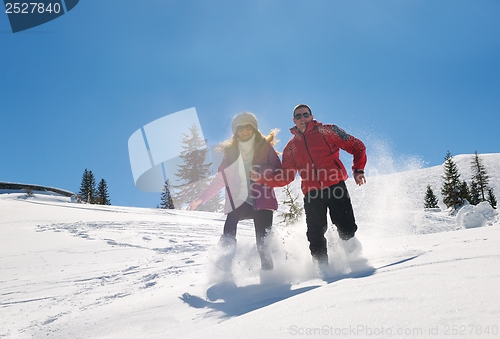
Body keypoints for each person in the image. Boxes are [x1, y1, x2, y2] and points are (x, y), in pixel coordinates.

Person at [251, 104, 366, 265]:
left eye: (305, 114)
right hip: (312, 194)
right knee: (315, 234)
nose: (302, 118)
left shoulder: (329, 131)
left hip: (335, 187)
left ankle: (357, 262)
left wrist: (358, 169)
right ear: (294, 120)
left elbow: (357, 146)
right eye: (298, 116)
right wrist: (261, 178)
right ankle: (322, 269)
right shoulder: (291, 147)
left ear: (312, 116)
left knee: (346, 228)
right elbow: (286, 177)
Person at [189, 112, 281, 271]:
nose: (244, 131)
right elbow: (220, 179)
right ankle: (224, 264)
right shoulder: (231, 153)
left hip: (262, 201)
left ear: (254, 129)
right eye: (240, 128)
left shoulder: (264, 147)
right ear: (235, 131)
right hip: (240, 201)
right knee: (229, 227)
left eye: (248, 127)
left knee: (262, 243)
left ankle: (269, 277)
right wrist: (201, 199)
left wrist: (261, 173)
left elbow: (278, 171)